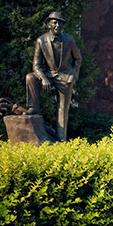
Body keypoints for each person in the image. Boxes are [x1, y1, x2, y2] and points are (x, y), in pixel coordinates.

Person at [25, 12, 82, 141]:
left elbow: (78, 58)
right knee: (30, 77)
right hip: (48, 74)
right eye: (55, 22)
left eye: (60, 23)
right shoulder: (41, 40)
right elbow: (36, 65)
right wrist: (44, 78)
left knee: (63, 108)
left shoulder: (69, 39)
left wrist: (74, 75)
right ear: (49, 24)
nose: (57, 25)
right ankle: (33, 108)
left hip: (65, 76)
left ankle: (61, 138)